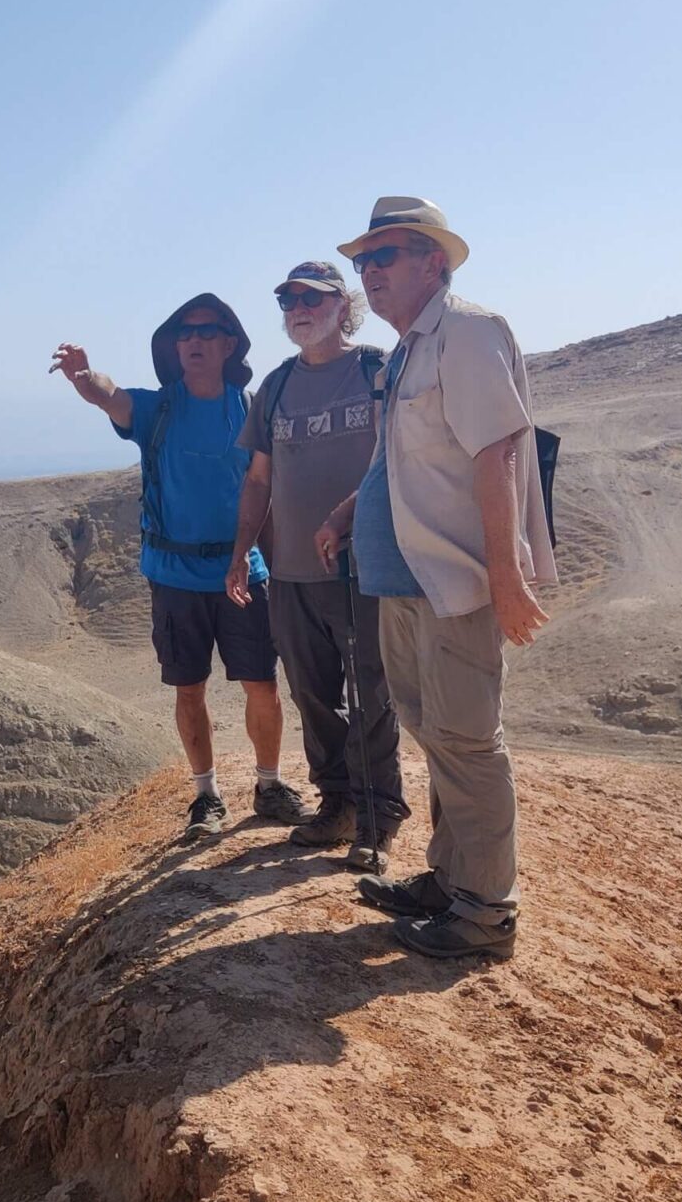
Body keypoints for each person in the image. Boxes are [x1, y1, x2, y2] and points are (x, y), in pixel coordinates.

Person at [313, 198, 557, 959]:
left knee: (467, 741)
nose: (370, 273)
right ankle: (450, 880)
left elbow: (498, 454)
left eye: (386, 256)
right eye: (364, 261)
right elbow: (402, 458)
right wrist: (352, 510)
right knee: (436, 735)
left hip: (456, 581)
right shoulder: (406, 353)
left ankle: (484, 915)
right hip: (401, 578)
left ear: (434, 262)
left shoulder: (469, 331)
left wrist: (508, 575)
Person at [52, 296, 307, 839]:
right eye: (185, 333)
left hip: (245, 572)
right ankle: (207, 796)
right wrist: (82, 373)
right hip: (174, 577)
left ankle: (269, 785)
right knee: (188, 688)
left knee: (262, 685)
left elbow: (267, 489)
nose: (193, 340)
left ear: (228, 345)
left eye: (208, 331)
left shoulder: (252, 409)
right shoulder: (157, 409)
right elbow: (109, 396)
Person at [225, 261, 409, 868]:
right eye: (287, 300)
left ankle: (379, 814)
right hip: (292, 573)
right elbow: (257, 481)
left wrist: (349, 516)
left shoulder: (375, 369)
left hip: (366, 567)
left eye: (311, 297)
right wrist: (241, 553)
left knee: (371, 693)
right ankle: (337, 804)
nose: (297, 308)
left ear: (341, 305)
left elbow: (398, 459)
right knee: (311, 694)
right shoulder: (275, 387)